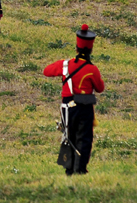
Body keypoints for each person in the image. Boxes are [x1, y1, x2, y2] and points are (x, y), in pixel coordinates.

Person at [43, 25, 104, 176]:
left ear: (77, 48)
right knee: (84, 139)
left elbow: (46, 71)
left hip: (67, 107)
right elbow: (100, 88)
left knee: (68, 137)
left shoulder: (65, 65)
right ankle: (80, 170)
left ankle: (69, 170)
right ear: (90, 49)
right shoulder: (92, 69)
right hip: (85, 107)